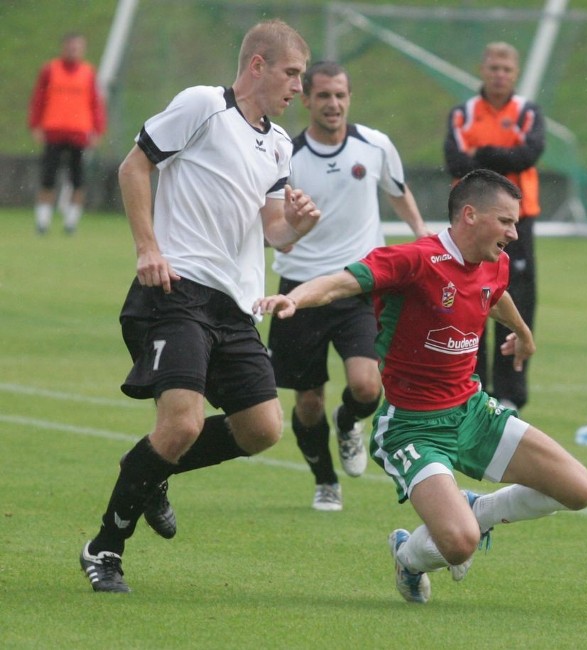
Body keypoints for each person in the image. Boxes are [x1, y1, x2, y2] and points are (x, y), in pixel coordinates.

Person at [254, 169, 587, 604]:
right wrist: (294, 298)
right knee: (458, 544)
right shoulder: (413, 261)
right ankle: (409, 556)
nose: (514, 232)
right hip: (413, 427)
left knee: (579, 490)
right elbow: (343, 281)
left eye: (515, 222)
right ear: (470, 215)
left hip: (472, 412)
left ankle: (478, 509)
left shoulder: (495, 263)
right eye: (506, 221)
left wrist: (523, 332)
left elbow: (494, 293)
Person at [79, 19, 320, 594]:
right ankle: (105, 548)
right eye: (292, 74)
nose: (298, 89)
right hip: (179, 292)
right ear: (257, 65)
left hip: (236, 308)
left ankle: (151, 470)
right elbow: (134, 166)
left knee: (262, 429)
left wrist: (299, 227)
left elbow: (272, 232)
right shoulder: (202, 106)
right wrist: (148, 248)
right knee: (182, 422)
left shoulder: (280, 145)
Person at [267, 61, 430, 512]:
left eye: (340, 95)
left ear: (349, 98)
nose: (333, 104)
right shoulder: (288, 156)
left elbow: (397, 190)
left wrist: (424, 238)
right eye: (323, 96)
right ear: (306, 100)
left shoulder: (374, 145)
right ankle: (325, 481)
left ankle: (349, 423)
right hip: (300, 289)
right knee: (307, 403)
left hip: (358, 284)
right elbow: (270, 219)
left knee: (366, 387)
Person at [443, 42, 545, 411]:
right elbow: (455, 161)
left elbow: (529, 153)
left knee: (515, 300)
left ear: (515, 74)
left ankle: (510, 395)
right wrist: (503, 158)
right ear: (482, 71)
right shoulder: (464, 113)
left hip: (518, 222)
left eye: (507, 69)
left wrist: (484, 156)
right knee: (467, 299)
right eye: (494, 68)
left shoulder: (527, 112)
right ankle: (472, 390)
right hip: (470, 223)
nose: (500, 74)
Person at [28, 32, 108, 235]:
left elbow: (95, 103)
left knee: (77, 179)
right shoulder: (50, 70)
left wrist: (97, 129)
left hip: (79, 132)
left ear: (83, 49)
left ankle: (71, 222)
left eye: (78, 47)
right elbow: (38, 98)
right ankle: (43, 221)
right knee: (48, 177)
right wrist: (36, 124)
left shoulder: (88, 73)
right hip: (53, 131)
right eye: (71, 46)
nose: (73, 50)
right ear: (64, 47)